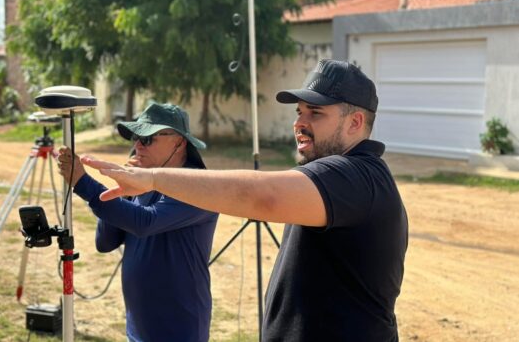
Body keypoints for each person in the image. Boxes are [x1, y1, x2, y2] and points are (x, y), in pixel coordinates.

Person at [81, 59, 409, 342]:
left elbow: (261, 196)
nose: (299, 123)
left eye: (316, 113)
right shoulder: (343, 175)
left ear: (355, 122)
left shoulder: (357, 176)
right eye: (299, 112)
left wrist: (152, 179)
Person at [57, 103, 218, 342]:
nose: (138, 145)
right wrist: (121, 190)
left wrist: (83, 183)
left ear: (179, 142)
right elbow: (105, 241)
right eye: (136, 137)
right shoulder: (144, 180)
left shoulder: (198, 184)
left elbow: (145, 222)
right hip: (140, 326)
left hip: (178, 326)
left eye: (149, 138)